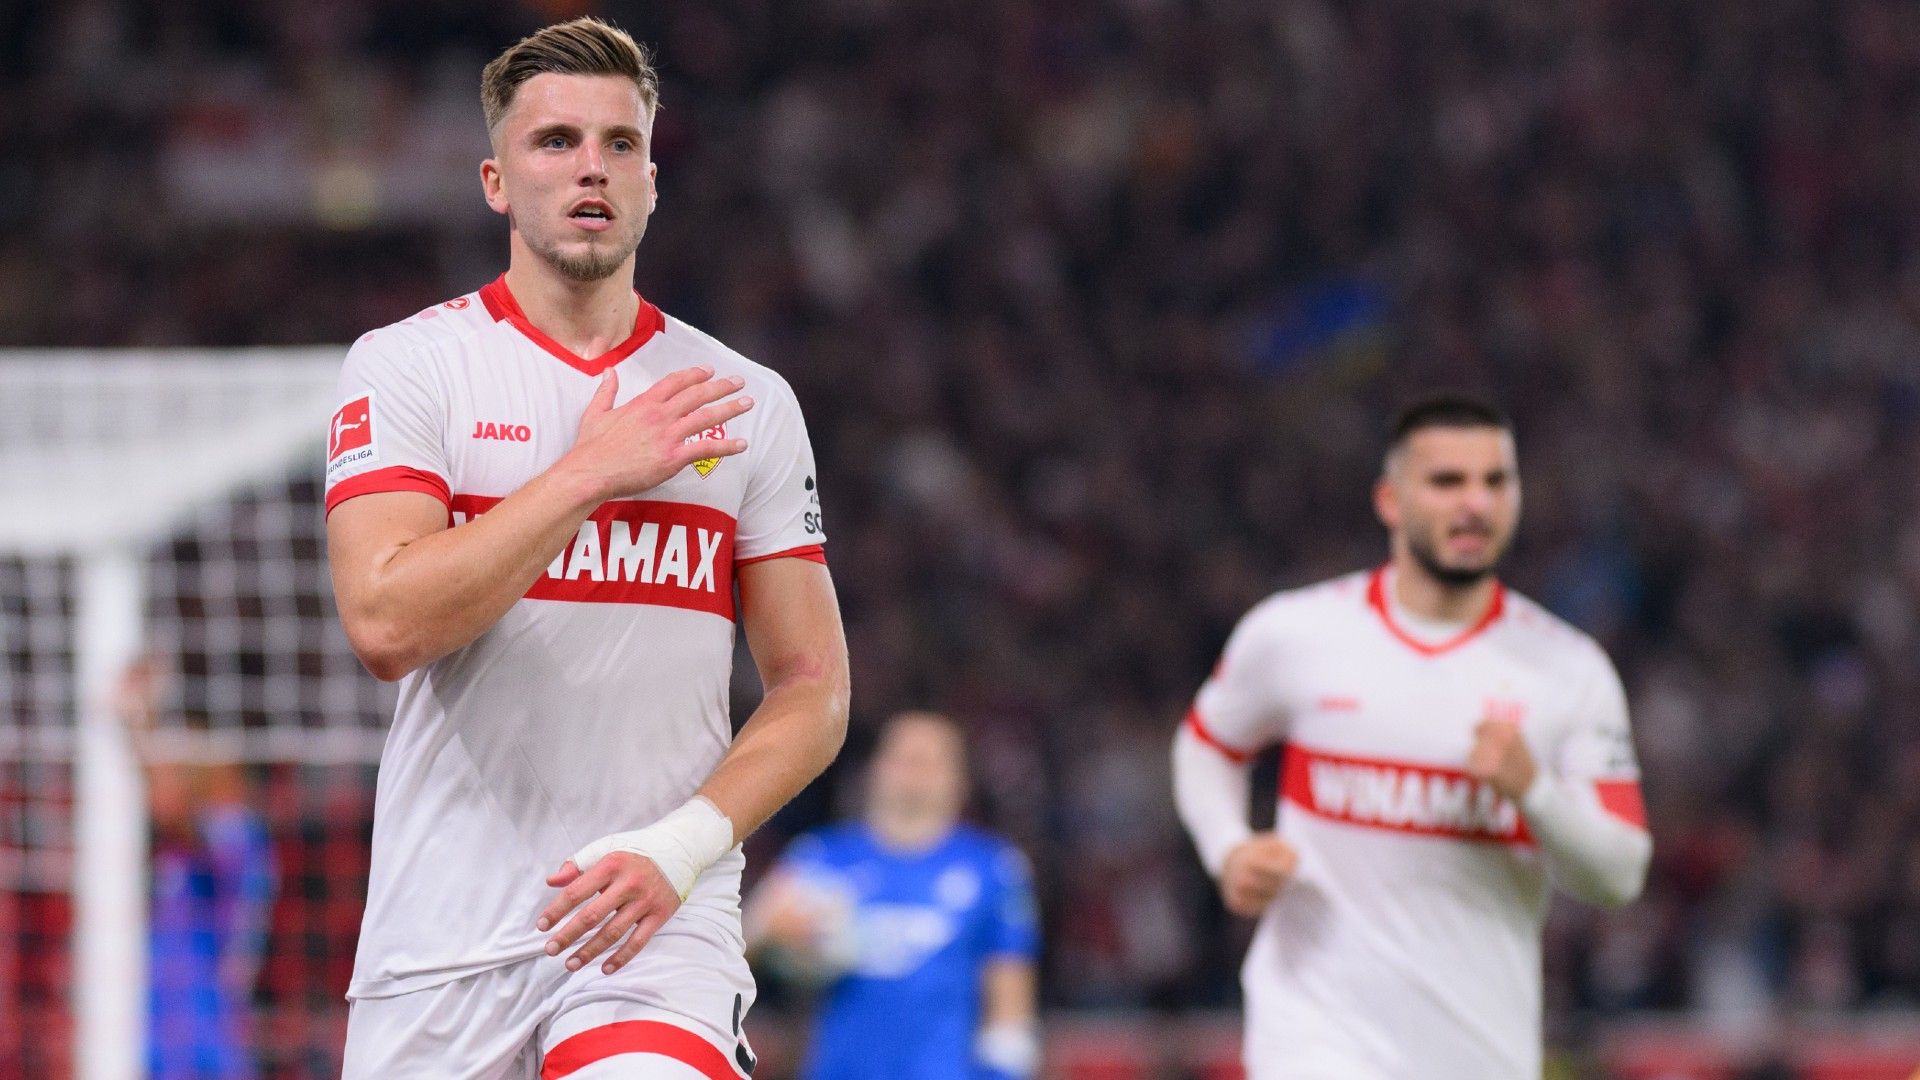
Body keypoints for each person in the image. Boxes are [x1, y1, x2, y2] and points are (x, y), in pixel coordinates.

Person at [322, 17, 849, 1078]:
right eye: (555, 141)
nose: (591, 167)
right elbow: (384, 624)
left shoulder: (744, 400)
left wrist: (681, 846)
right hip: (445, 940)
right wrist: (587, 474)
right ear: (496, 182)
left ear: (653, 182)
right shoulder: (412, 367)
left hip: (654, 923)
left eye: (620, 144)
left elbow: (813, 687)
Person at [1171, 395, 1651, 1080]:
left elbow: (1620, 875)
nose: (1476, 504)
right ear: (1390, 501)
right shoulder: (1297, 634)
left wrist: (1535, 792)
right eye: (1447, 481)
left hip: (1477, 1054)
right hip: (1314, 1039)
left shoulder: (1568, 671)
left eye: (1495, 481)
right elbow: (1207, 745)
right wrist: (1229, 848)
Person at [746, 711, 1040, 1080]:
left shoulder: (993, 868)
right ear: (875, 768)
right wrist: (767, 930)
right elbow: (734, 944)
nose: (914, 771)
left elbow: (1010, 1004)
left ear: (960, 780)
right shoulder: (819, 858)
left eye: (929, 760)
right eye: (902, 757)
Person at [114, 657, 277, 1080]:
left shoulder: (237, 832)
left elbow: (170, 807)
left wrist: (137, 724)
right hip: (160, 1020)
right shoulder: (182, 843)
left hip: (206, 1025)